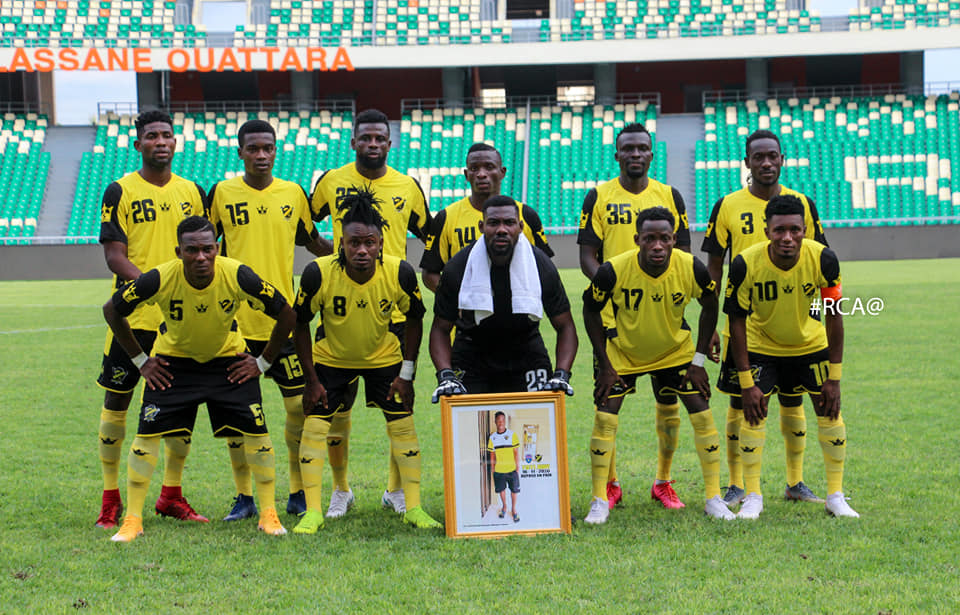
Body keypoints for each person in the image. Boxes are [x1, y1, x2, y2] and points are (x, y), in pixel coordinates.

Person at [104, 216, 297, 542]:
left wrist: (262, 362)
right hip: (173, 365)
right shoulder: (160, 277)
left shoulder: (236, 274)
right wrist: (141, 361)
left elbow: (286, 312)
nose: (201, 257)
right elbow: (113, 310)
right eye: (192, 250)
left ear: (217, 248)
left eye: (207, 249)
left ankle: (268, 513)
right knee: (147, 434)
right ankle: (133, 519)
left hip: (229, 363)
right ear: (179, 251)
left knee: (257, 431)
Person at [291, 188, 441, 534]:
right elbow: (299, 324)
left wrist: (407, 373)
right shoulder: (318, 272)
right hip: (332, 358)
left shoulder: (400, 272)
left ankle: (412, 505)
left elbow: (416, 318)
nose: (362, 250)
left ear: (381, 244)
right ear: (340, 243)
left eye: (369, 243)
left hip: (383, 358)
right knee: (315, 426)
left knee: (402, 423)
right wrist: (310, 380)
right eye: (353, 243)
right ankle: (318, 507)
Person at [206, 119, 332, 521]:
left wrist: (343, 260)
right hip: (234, 324)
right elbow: (204, 250)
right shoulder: (222, 193)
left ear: (276, 151)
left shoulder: (293, 194)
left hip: (285, 321)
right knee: (239, 413)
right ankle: (244, 496)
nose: (262, 155)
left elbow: (312, 241)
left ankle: (297, 491)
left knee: (297, 407)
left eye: (268, 148)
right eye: (254, 148)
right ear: (240, 152)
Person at [310, 108, 432, 518]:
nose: (374, 144)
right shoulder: (331, 181)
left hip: (392, 299)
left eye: (381, 138)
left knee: (398, 401)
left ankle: (396, 491)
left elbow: (427, 233)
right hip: (343, 300)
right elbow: (306, 225)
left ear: (390, 142)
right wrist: (327, 263)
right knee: (336, 407)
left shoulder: (407, 186)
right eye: (366, 138)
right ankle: (340, 490)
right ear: (354, 141)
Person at [701, 129, 829, 509]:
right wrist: (709, 326)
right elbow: (713, 267)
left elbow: (823, 259)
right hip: (745, 326)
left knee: (794, 402)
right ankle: (737, 484)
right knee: (741, 402)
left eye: (773, 156)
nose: (767, 163)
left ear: (782, 158)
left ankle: (795, 481)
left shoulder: (800, 203)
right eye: (759, 157)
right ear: (747, 162)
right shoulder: (727, 205)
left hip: (794, 326)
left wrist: (817, 312)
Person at [582, 207, 733, 524]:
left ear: (674, 239)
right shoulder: (613, 270)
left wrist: (699, 360)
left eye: (664, 239)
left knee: (702, 412)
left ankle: (711, 497)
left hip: (675, 353)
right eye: (649, 239)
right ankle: (599, 498)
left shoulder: (691, 267)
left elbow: (710, 306)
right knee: (605, 416)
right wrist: (605, 362)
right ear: (637, 239)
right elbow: (590, 310)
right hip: (623, 353)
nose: (657, 246)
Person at [95, 110, 207, 529]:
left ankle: (171, 496)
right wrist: (154, 284)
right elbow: (114, 255)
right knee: (117, 401)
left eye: (167, 135)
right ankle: (110, 498)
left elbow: (208, 250)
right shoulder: (119, 190)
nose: (161, 141)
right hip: (133, 314)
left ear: (176, 142)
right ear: (138, 143)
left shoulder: (192, 191)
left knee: (179, 407)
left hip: (180, 319)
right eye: (152, 136)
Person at [576, 122, 691, 511]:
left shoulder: (669, 195)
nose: (636, 155)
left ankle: (664, 481)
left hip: (662, 318)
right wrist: (613, 288)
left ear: (651, 153)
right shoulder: (599, 196)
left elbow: (686, 257)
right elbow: (587, 257)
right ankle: (609, 484)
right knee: (608, 402)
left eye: (642, 148)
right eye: (628, 149)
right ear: (617, 154)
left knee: (668, 402)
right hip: (613, 321)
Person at [721, 195, 858, 520]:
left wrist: (835, 378)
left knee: (830, 413)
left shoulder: (824, 259)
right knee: (752, 416)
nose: (787, 237)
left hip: (810, 347)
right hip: (761, 347)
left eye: (795, 230)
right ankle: (753, 496)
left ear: (805, 230)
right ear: (767, 230)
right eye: (780, 230)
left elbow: (835, 316)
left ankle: (835, 496)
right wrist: (746, 382)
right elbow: (736, 322)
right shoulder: (745, 263)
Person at [429, 195, 577, 399]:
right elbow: (440, 329)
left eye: (509, 223)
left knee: (535, 429)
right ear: (481, 226)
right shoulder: (459, 266)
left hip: (526, 352)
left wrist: (562, 373)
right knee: (472, 430)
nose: (501, 229)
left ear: (521, 226)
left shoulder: (540, 265)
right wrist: (445, 375)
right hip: (473, 354)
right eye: (493, 223)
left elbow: (566, 326)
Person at [420, 142, 553, 292]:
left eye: (489, 167)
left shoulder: (526, 215)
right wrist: (455, 301)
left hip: (515, 311)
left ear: (502, 172)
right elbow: (430, 272)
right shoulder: (446, 218)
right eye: (474, 168)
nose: (481, 174)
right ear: (466, 175)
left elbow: (545, 269)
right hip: (465, 312)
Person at [487, 411, 521, 523]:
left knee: (514, 491)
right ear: (495, 422)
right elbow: (492, 455)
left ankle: (514, 510)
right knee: (501, 490)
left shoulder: (512, 435)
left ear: (505, 421)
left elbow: (516, 453)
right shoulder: (492, 437)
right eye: (498, 420)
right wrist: (493, 469)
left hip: (511, 469)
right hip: (499, 470)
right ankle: (504, 507)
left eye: (502, 420)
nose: (500, 423)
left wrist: (517, 467)